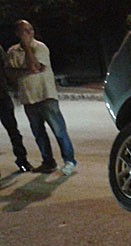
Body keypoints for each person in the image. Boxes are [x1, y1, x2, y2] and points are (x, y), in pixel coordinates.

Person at [7, 20, 77, 175]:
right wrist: (26, 70)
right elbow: (11, 74)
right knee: (38, 133)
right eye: (24, 31)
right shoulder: (12, 51)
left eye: (30, 30)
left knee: (59, 131)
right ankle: (48, 162)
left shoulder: (40, 47)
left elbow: (33, 66)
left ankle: (69, 161)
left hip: (46, 96)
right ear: (17, 33)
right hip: (28, 98)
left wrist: (26, 49)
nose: (29, 33)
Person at [0, 44, 32, 173]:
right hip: (2, 94)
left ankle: (22, 160)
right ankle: (22, 161)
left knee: (13, 130)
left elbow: (6, 69)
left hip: (2, 95)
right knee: (13, 130)